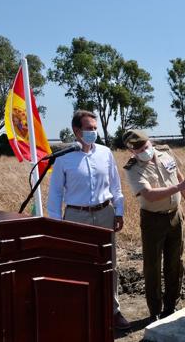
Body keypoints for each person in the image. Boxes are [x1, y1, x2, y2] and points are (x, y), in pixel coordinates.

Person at [47, 110, 130, 330]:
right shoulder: (64, 158)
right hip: (76, 216)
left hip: (105, 213)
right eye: (89, 128)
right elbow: (55, 193)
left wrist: (119, 210)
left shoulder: (105, 153)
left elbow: (115, 185)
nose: (93, 132)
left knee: (109, 263)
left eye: (95, 128)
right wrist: (56, 224)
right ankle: (82, 309)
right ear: (76, 131)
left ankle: (113, 311)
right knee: (78, 265)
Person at [122, 129, 185, 321]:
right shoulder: (133, 169)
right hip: (153, 220)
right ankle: (155, 310)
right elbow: (149, 194)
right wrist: (179, 188)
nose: (144, 151)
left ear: (150, 143)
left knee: (176, 261)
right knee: (153, 265)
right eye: (138, 150)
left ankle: (171, 305)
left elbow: (179, 177)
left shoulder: (165, 153)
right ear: (132, 152)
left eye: (145, 147)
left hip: (175, 215)